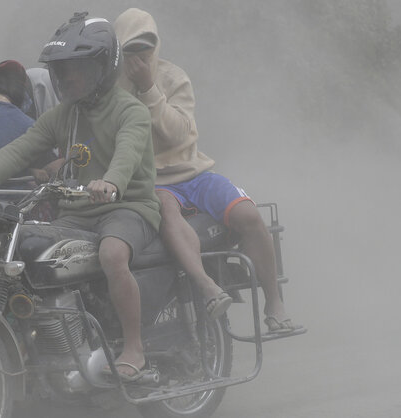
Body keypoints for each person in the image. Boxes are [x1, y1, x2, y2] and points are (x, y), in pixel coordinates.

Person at [0, 12, 160, 379]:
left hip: (127, 208)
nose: (64, 77)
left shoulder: (132, 110)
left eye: (75, 67)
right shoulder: (63, 115)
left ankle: (133, 346)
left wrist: (109, 182)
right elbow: (21, 149)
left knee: (112, 253)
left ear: (102, 66)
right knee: (23, 248)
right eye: (60, 69)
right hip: (77, 212)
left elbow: (126, 155)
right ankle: (48, 344)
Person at [113, 8, 301, 333]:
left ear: (155, 45)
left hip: (196, 174)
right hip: (154, 183)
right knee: (168, 214)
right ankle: (207, 287)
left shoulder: (173, 78)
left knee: (249, 216)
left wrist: (148, 89)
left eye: (146, 47)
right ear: (119, 51)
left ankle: (274, 302)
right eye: (130, 49)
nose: (139, 57)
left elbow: (179, 133)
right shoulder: (113, 91)